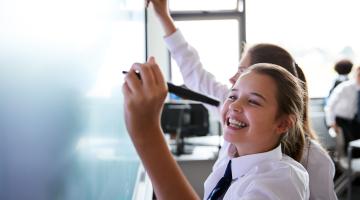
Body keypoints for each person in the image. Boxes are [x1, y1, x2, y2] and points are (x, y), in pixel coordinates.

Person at [148, 0, 337, 199]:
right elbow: (195, 73)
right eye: (233, 95)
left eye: (242, 71)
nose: (231, 80)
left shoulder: (299, 168)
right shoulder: (234, 122)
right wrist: (163, 16)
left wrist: (147, 132)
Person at [123, 59, 309, 199]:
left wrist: (146, 132)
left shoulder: (280, 183)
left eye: (253, 101)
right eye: (232, 96)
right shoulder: (230, 157)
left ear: (283, 123)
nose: (234, 106)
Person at [325, 66, 360, 156]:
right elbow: (329, 106)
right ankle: (350, 163)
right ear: (356, 74)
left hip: (354, 120)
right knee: (351, 145)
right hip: (340, 120)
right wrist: (332, 123)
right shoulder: (344, 87)